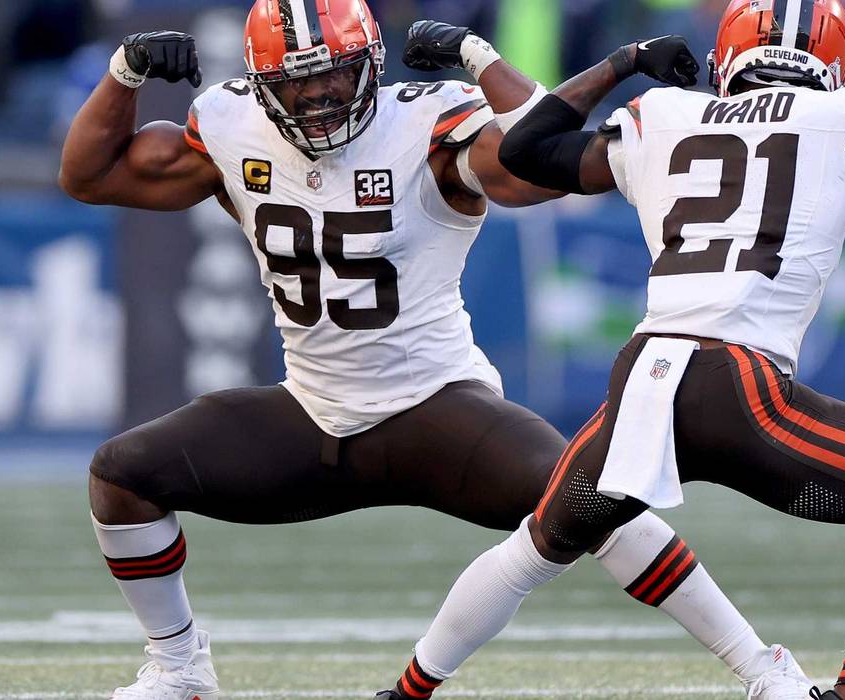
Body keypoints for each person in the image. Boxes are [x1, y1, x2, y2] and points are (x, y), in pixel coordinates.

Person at [59, 1, 798, 698]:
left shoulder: (425, 123)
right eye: (297, 83)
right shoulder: (230, 127)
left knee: (594, 499)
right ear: (260, 87)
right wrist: (124, 73)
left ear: (372, 64)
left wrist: (481, 60)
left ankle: (762, 669)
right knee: (123, 475)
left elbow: (538, 164)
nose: (317, 98)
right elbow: (88, 176)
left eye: (333, 76)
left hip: (434, 407)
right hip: (313, 409)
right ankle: (179, 667)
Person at [379, 1, 845, 698]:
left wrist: (618, 64)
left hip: (643, 384)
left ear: (724, 57)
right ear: (832, 65)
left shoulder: (662, 114)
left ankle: (408, 692)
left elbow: (525, 152)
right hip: (741, 388)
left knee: (539, 547)